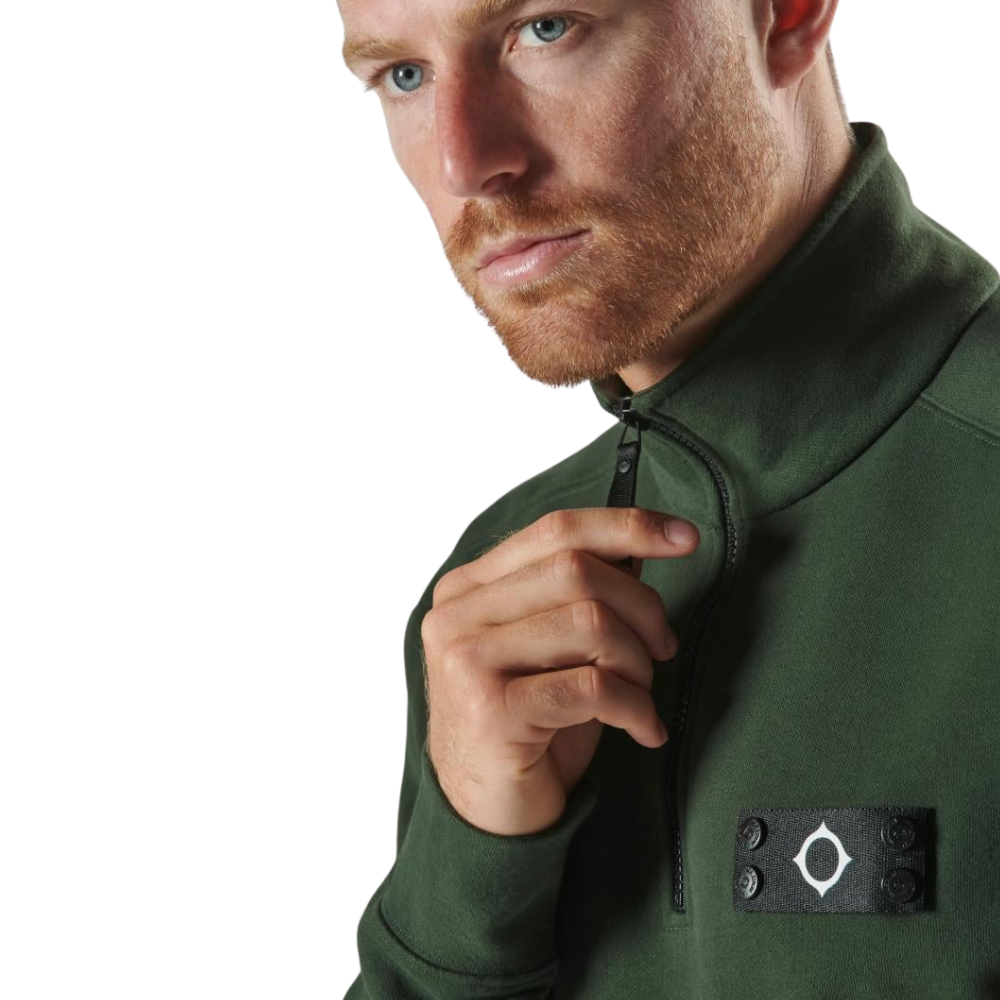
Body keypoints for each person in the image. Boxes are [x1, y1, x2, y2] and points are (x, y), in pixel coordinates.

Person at [337, 0, 1000, 995]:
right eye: (404, 75)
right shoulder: (493, 595)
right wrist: (468, 868)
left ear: (786, 17)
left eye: (546, 27)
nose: (463, 162)